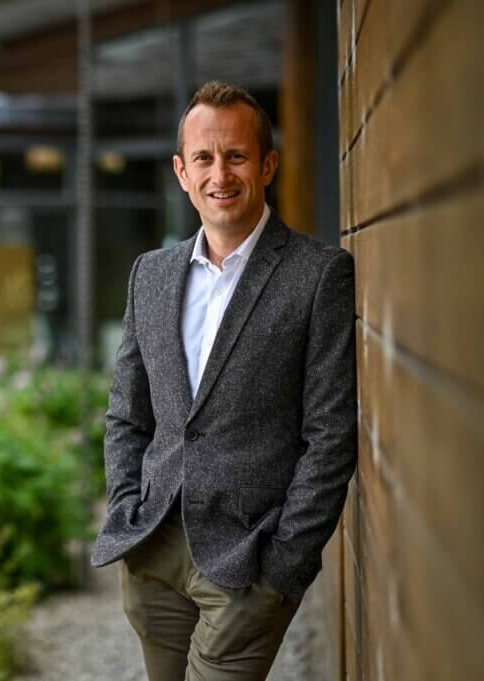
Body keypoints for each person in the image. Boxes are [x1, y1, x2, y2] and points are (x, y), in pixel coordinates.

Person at [91, 81, 357, 681]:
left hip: (248, 561)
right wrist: (126, 510)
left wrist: (285, 566)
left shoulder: (318, 276)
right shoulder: (150, 275)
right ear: (182, 173)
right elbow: (127, 415)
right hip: (153, 550)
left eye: (235, 156)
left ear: (266, 165)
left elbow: (331, 435)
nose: (221, 174)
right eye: (205, 159)